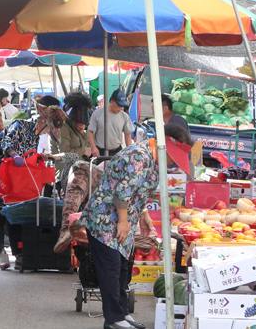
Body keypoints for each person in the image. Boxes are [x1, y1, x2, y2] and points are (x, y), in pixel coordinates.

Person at [80, 125, 193, 329]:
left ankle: (122, 313)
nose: (172, 163)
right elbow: (122, 193)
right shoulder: (139, 157)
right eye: (173, 157)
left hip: (121, 219)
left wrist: (144, 216)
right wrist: (123, 222)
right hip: (105, 220)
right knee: (111, 269)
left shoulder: (151, 158)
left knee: (123, 268)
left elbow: (136, 192)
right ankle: (113, 319)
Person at [0, 96, 66, 270]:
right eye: (49, 129)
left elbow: (29, 154)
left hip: (15, 176)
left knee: (16, 209)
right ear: (43, 122)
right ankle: (1, 251)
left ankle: (18, 253)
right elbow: (8, 142)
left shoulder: (37, 135)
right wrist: (14, 154)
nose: (49, 133)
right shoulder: (20, 124)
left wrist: (39, 158)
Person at [50, 91, 92, 191]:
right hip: (64, 174)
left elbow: (82, 144)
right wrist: (83, 151)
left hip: (76, 172)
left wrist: (81, 133)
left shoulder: (74, 126)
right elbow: (65, 152)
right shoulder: (62, 126)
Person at [88, 89, 134, 158]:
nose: (121, 108)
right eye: (119, 105)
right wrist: (93, 147)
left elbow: (127, 134)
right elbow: (90, 131)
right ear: (111, 101)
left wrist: (129, 150)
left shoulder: (124, 116)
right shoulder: (97, 114)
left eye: (122, 105)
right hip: (100, 151)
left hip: (117, 151)